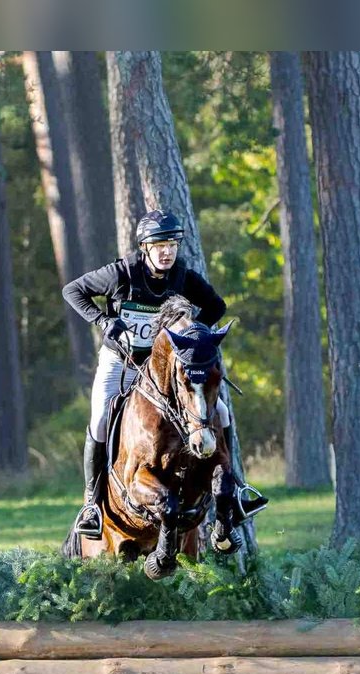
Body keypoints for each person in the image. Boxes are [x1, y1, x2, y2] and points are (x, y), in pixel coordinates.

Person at [62, 208, 267, 538]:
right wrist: (102, 320)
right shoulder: (121, 273)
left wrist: (193, 336)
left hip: (162, 369)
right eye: (159, 245)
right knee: (101, 417)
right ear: (145, 247)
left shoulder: (183, 276)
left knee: (222, 412)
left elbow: (217, 307)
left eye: (172, 244)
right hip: (121, 362)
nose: (167, 251)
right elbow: (72, 290)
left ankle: (238, 489)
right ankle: (91, 503)